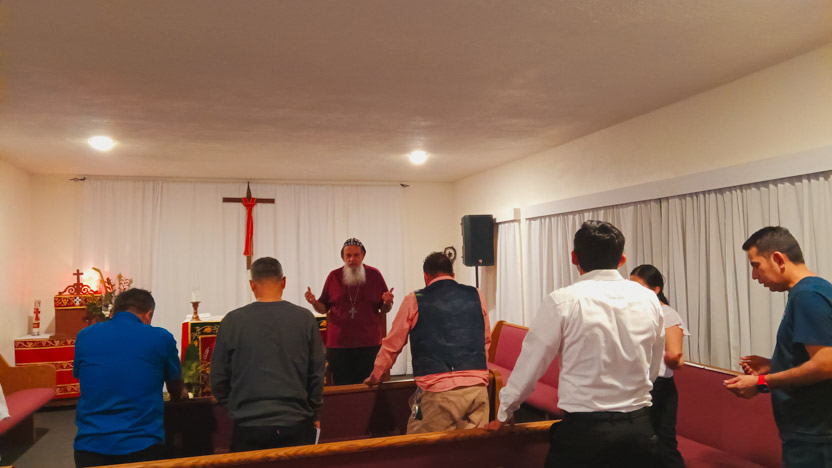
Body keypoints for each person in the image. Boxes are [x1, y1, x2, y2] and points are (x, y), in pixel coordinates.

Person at [486, 220, 665, 468]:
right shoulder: (649, 299)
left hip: (585, 433)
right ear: (622, 259)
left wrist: (504, 412)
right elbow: (654, 365)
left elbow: (531, 364)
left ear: (574, 257)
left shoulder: (562, 301)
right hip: (639, 429)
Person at [724, 226, 832, 467]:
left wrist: (761, 382)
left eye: (756, 265)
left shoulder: (807, 296)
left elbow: (826, 365)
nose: (754, 276)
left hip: (814, 437)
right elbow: (814, 358)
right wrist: (775, 364)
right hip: (810, 433)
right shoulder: (814, 291)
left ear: (778, 259)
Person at [364, 252, 492, 433]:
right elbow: (486, 340)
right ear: (453, 275)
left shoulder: (414, 299)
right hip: (477, 388)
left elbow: (393, 344)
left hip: (439, 392)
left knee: (422, 447)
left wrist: (376, 374)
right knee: (472, 448)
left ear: (426, 276)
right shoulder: (476, 294)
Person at [211, 257, 325, 452]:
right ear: (284, 282)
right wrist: (314, 412)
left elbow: (218, 380)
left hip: (248, 424)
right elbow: (316, 374)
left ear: (252, 285)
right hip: (296, 421)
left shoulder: (232, 321)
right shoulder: (304, 318)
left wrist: (238, 408)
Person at [73, 288, 187, 467]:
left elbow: (85, 377)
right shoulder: (160, 337)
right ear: (148, 314)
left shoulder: (85, 336)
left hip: (90, 447)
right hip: (143, 446)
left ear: (114, 311)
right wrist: (183, 394)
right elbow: (176, 389)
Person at [305, 238, 395, 385]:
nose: (352, 259)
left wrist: (387, 302)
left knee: (368, 387)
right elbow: (323, 308)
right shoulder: (333, 276)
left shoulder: (374, 275)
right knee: (343, 388)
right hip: (339, 345)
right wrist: (314, 302)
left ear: (363, 256)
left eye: (356, 255)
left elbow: (384, 309)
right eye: (348, 255)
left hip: (369, 344)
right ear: (343, 257)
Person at [630, 264, 688, 468]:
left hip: (659, 388)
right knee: (638, 445)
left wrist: (674, 360)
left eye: (639, 288)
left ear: (656, 290)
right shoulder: (633, 314)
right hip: (636, 385)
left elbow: (677, 358)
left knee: (663, 446)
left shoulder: (667, 314)